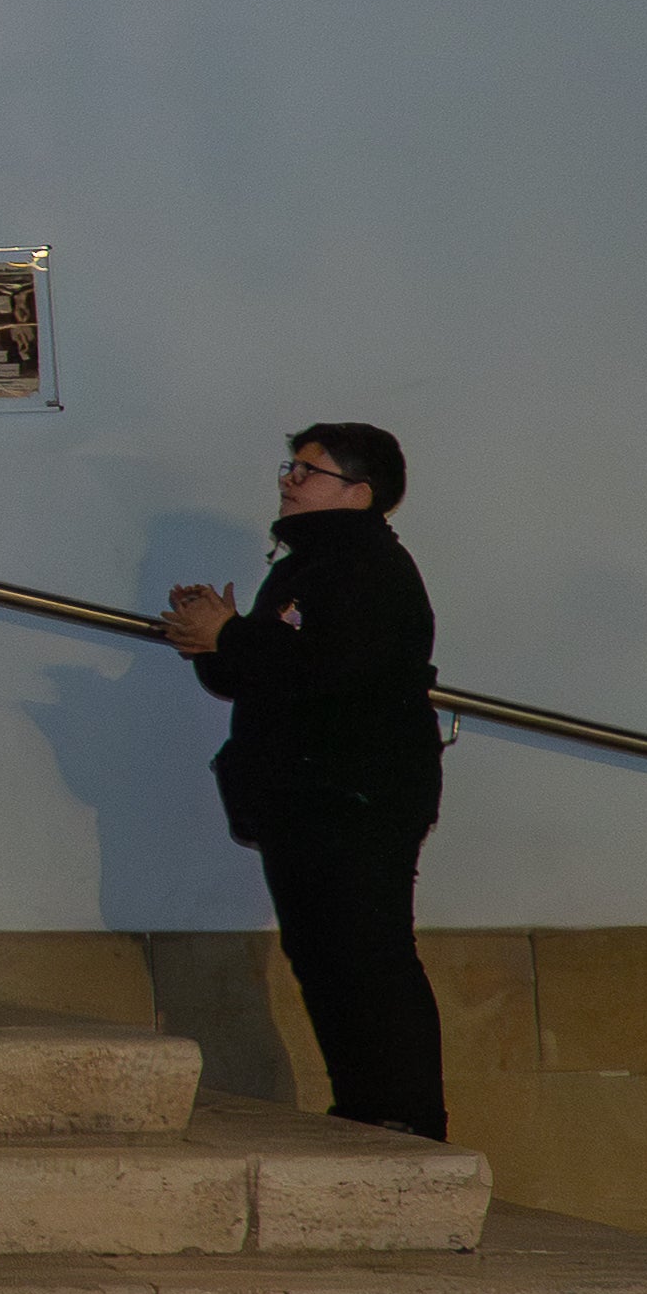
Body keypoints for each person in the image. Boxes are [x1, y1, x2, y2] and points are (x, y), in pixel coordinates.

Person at [162, 424, 447, 1141]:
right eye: (291, 466)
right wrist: (212, 637)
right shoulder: (305, 564)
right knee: (322, 957)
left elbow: (332, 668)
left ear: (359, 493)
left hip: (355, 794)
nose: (289, 480)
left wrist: (232, 634)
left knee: (368, 956)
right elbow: (262, 674)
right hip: (304, 796)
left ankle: (404, 1116)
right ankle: (363, 1106)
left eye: (309, 471)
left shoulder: (368, 567)